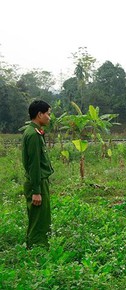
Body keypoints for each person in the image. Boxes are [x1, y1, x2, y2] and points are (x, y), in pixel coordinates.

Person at [22, 100, 55, 249]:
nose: (50, 117)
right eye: (48, 114)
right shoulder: (33, 135)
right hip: (38, 182)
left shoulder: (33, 131)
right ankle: (37, 250)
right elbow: (34, 165)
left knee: (41, 217)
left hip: (40, 181)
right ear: (39, 114)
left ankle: (37, 247)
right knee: (39, 220)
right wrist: (37, 191)